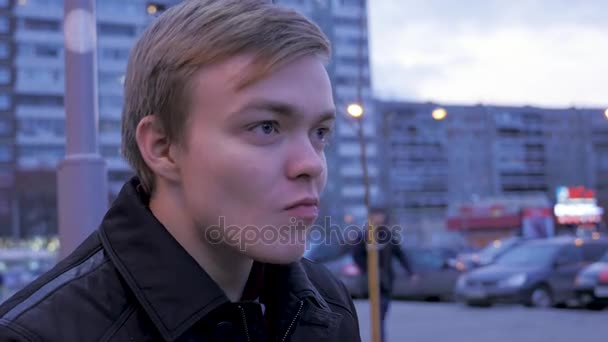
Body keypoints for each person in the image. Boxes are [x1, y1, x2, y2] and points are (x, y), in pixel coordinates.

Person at [0, 1, 360, 341]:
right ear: (162, 147)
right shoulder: (40, 335)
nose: (311, 163)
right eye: (266, 127)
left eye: (320, 133)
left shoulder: (326, 307)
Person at [353, 207, 416, 342]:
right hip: (371, 280)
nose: (378, 218)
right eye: (375, 216)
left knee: (382, 313)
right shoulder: (364, 236)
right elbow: (357, 256)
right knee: (378, 314)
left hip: (386, 280)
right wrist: (367, 269)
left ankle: (379, 337)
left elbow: (400, 254)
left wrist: (410, 272)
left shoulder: (388, 236)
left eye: (380, 215)